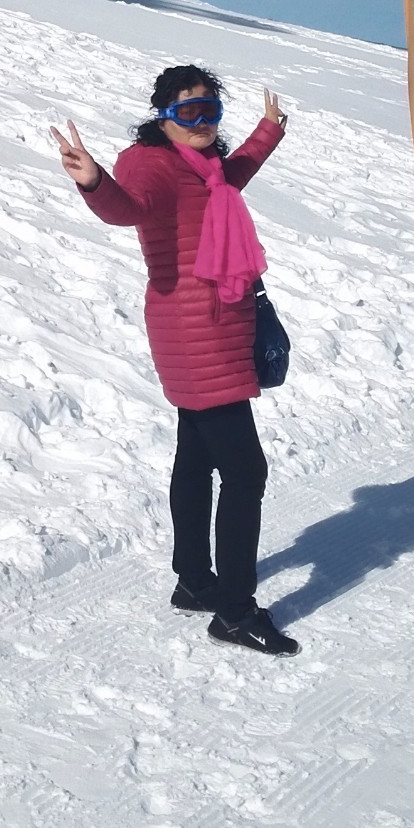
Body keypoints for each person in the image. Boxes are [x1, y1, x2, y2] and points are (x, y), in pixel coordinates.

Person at [50, 65, 299, 657]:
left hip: (212, 325)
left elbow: (232, 177)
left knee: (196, 456)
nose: (203, 122)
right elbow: (129, 208)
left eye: (211, 109)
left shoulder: (205, 169)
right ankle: (236, 611)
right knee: (245, 472)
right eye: (189, 112)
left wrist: (267, 131)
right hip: (195, 332)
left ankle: (194, 580)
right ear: (163, 116)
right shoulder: (150, 165)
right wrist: (93, 182)